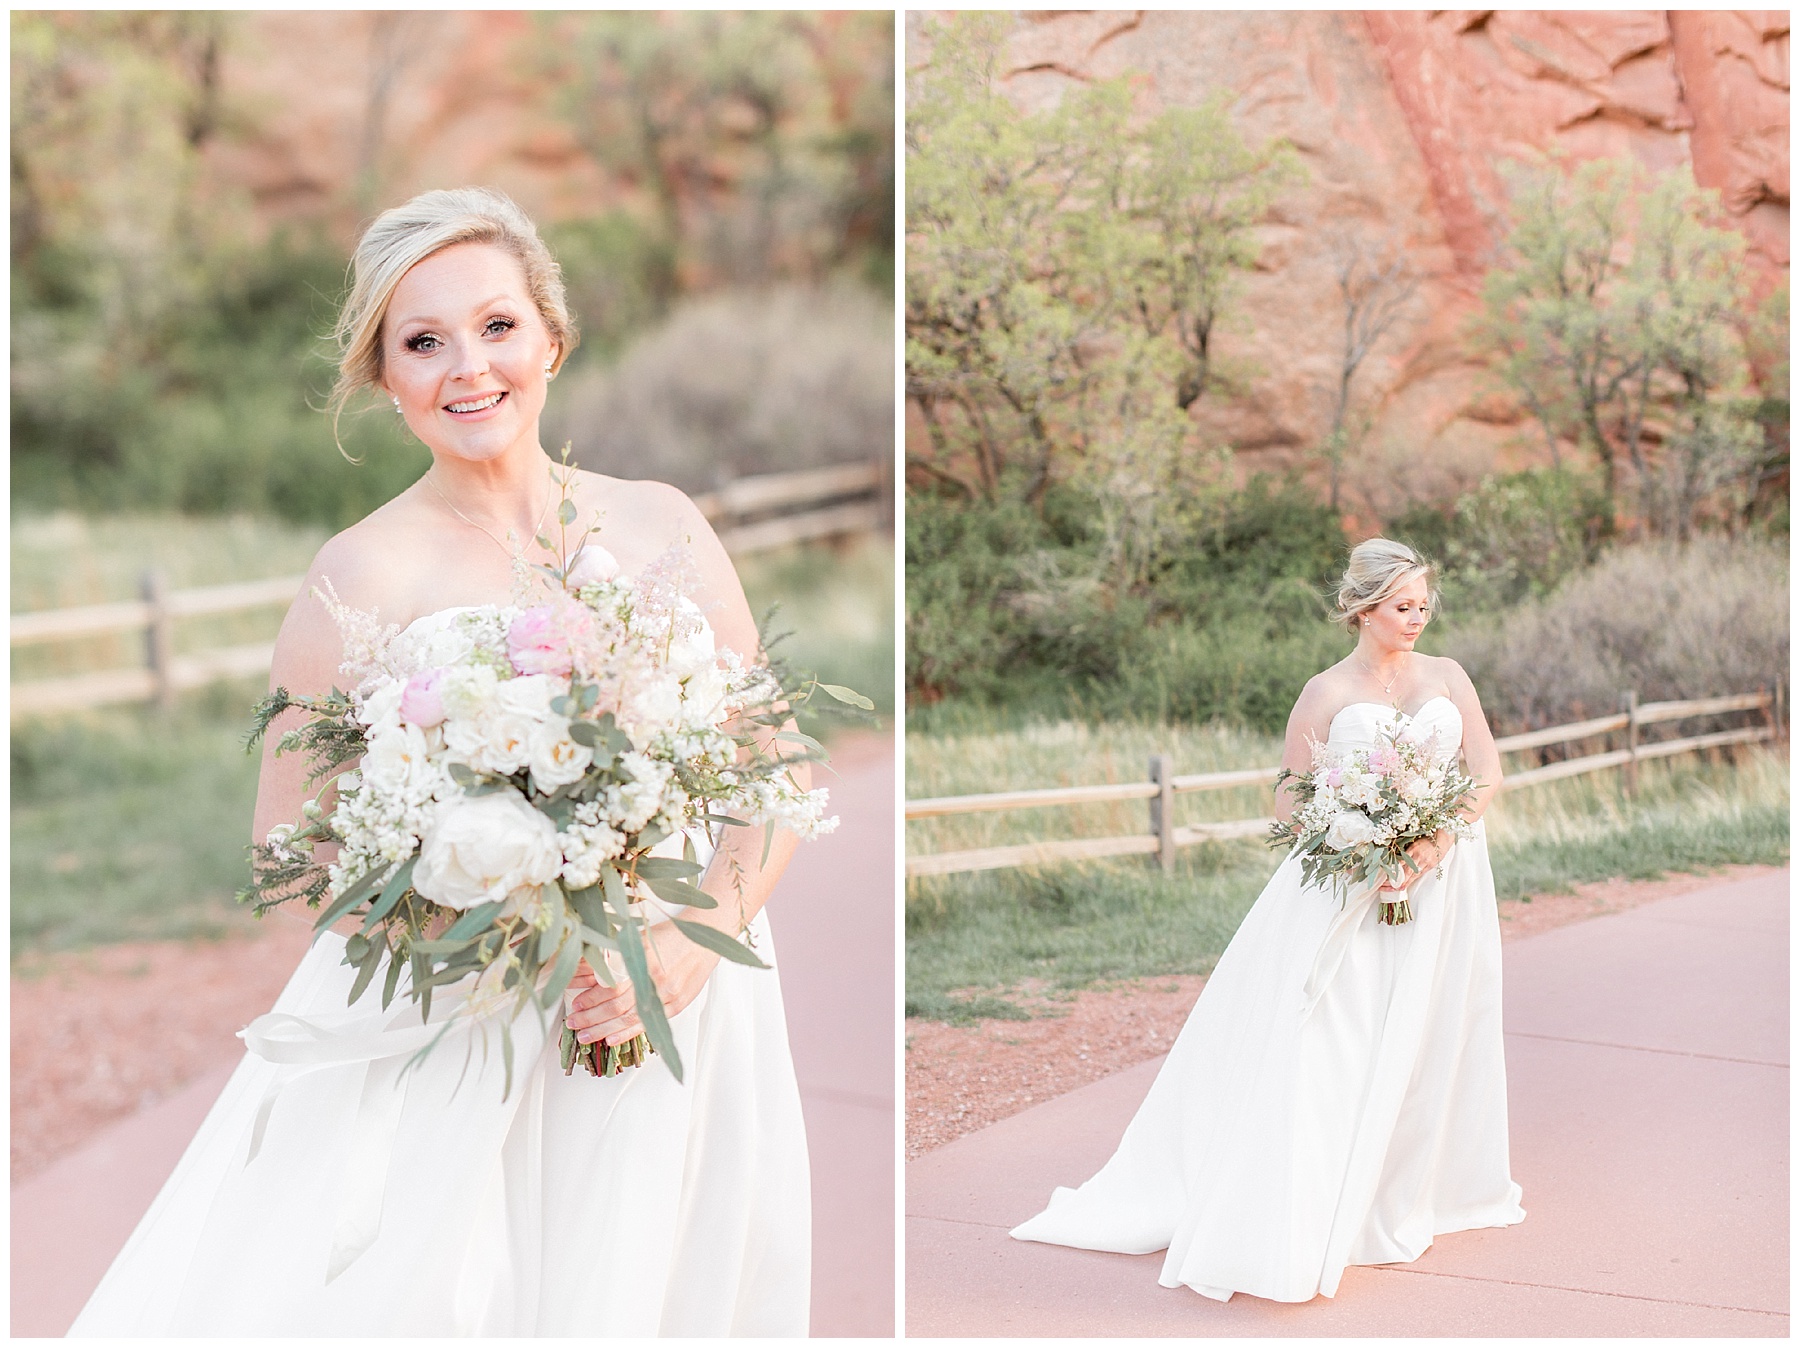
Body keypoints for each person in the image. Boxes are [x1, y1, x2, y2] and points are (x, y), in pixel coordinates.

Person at [71, 188, 812, 1336]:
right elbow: (290, 848)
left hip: (687, 997)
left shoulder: (663, 522)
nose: (468, 366)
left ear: (551, 336)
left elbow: (771, 758)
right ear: (383, 373)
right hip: (469, 1022)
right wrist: (493, 929)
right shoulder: (356, 576)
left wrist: (685, 943)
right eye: (424, 342)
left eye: (497, 326)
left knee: (660, 1276)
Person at [1011, 537, 1525, 1302]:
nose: (1416, 618)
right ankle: (1311, 1200)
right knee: (1334, 1032)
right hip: (1347, 882)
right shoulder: (1323, 692)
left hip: (1443, 880)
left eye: (1424, 605)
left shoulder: (1449, 677)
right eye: (1401, 606)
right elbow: (1290, 802)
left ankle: (1400, 1188)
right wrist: (1361, 831)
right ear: (1361, 608)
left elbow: (1486, 771)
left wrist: (1431, 838)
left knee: (1428, 1028)